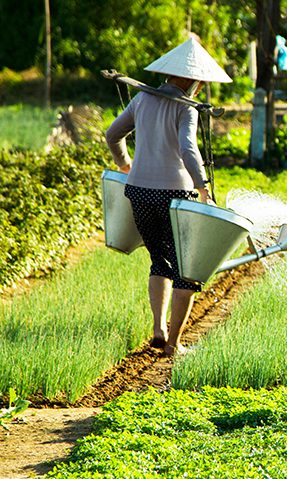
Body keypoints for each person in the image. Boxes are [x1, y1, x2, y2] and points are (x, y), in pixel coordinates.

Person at [106, 37, 232, 357]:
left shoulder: (141, 100)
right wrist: (203, 187)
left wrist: (124, 163)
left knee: (159, 260)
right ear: (192, 80)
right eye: (201, 82)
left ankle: (158, 327)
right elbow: (189, 148)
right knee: (187, 270)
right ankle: (174, 344)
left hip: (138, 191)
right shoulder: (186, 108)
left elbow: (112, 134)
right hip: (176, 195)